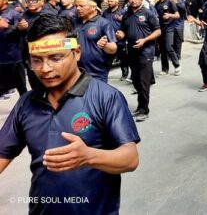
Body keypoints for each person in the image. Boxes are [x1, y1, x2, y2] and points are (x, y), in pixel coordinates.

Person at [0, 14, 140, 214]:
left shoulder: (106, 97)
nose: (45, 69)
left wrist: (89, 156)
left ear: (76, 53)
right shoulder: (26, 103)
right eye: (36, 60)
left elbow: (130, 158)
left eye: (56, 58)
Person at [116, 0, 161, 121]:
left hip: (146, 52)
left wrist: (144, 40)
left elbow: (158, 31)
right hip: (132, 52)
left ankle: (144, 109)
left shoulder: (148, 14)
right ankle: (140, 106)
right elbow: (123, 30)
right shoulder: (127, 14)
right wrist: (121, 34)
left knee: (143, 82)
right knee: (135, 80)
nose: (133, 0)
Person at [72, 0, 117, 82]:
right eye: (76, 6)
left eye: (81, 6)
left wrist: (105, 45)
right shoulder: (73, 22)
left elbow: (113, 49)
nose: (78, 8)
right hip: (75, 71)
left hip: (97, 73)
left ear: (93, 7)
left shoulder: (104, 23)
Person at [0, 0, 27, 97]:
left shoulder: (14, 13)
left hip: (13, 57)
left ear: (4, 1)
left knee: (21, 87)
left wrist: (6, 26)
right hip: (0, 58)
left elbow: (21, 32)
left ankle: (25, 108)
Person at [154, 0, 181, 76]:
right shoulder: (157, 4)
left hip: (169, 28)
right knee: (162, 49)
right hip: (160, 29)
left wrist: (169, 15)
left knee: (168, 47)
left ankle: (177, 66)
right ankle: (165, 69)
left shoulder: (170, 2)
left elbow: (177, 15)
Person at [102, 0, 129, 81]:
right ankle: (104, 74)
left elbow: (128, 25)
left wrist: (123, 33)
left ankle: (125, 74)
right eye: (109, 1)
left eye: (112, 1)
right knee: (108, 58)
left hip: (120, 39)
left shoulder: (123, 12)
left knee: (123, 58)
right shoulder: (105, 13)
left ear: (117, 2)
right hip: (109, 39)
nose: (110, 3)